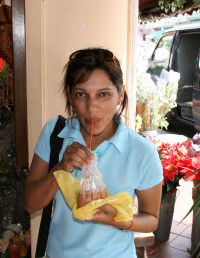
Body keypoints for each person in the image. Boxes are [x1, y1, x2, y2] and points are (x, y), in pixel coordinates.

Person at [24, 48, 163, 258]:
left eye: (104, 94)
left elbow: (151, 219)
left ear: (120, 94)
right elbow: (30, 203)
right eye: (81, 94)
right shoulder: (55, 133)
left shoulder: (143, 151)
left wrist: (122, 221)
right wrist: (61, 168)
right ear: (70, 95)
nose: (92, 108)